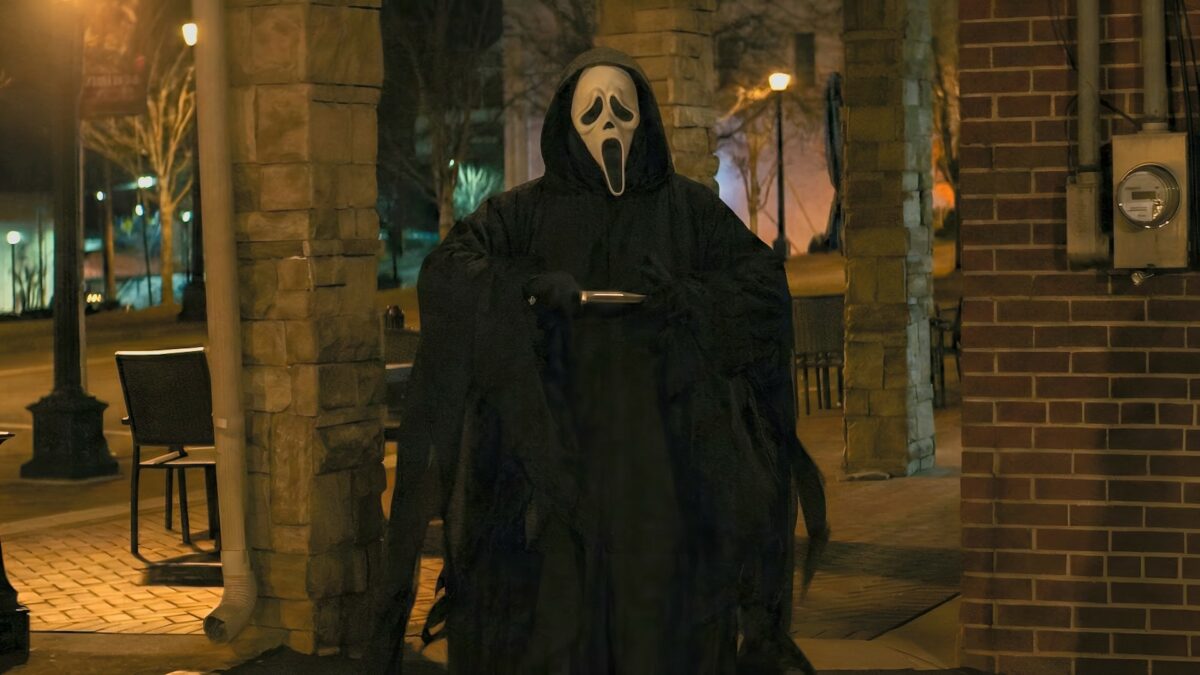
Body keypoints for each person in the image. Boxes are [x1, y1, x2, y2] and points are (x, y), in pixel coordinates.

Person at [369, 47, 827, 674]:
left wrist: (693, 301)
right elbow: (449, 271)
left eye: (620, 109)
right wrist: (525, 289)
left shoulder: (688, 210)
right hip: (556, 468)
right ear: (568, 122)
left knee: (658, 625)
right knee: (564, 624)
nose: (608, 124)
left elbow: (761, 285)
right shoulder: (523, 213)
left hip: (663, 472)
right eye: (592, 111)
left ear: (644, 117)